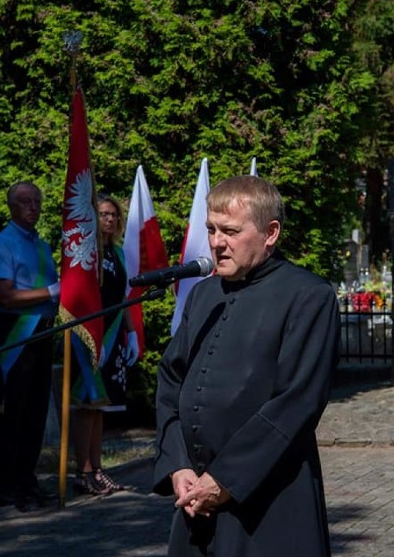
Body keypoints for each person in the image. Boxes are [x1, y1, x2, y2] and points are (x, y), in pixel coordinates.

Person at [153, 175, 339, 556]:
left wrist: (224, 479)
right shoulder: (203, 294)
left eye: (231, 231)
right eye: (212, 230)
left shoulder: (308, 296)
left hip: (270, 497)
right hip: (195, 499)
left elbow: (298, 400)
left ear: (270, 232)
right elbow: (171, 379)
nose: (217, 242)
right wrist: (178, 465)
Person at [0, 181, 60, 511]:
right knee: (10, 413)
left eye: (36, 200)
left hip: (42, 332)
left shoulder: (41, 246)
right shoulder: (3, 244)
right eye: (24, 201)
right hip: (15, 332)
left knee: (35, 412)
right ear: (11, 206)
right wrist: (51, 293)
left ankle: (27, 481)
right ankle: (6, 488)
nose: (32, 206)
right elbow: (5, 295)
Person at [70, 194, 139, 495]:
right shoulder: (87, 253)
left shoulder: (119, 254)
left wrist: (131, 332)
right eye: (103, 214)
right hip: (88, 338)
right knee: (86, 405)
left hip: (113, 337)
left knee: (101, 407)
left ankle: (98, 468)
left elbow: (122, 298)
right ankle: (83, 470)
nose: (109, 219)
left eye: (113, 214)